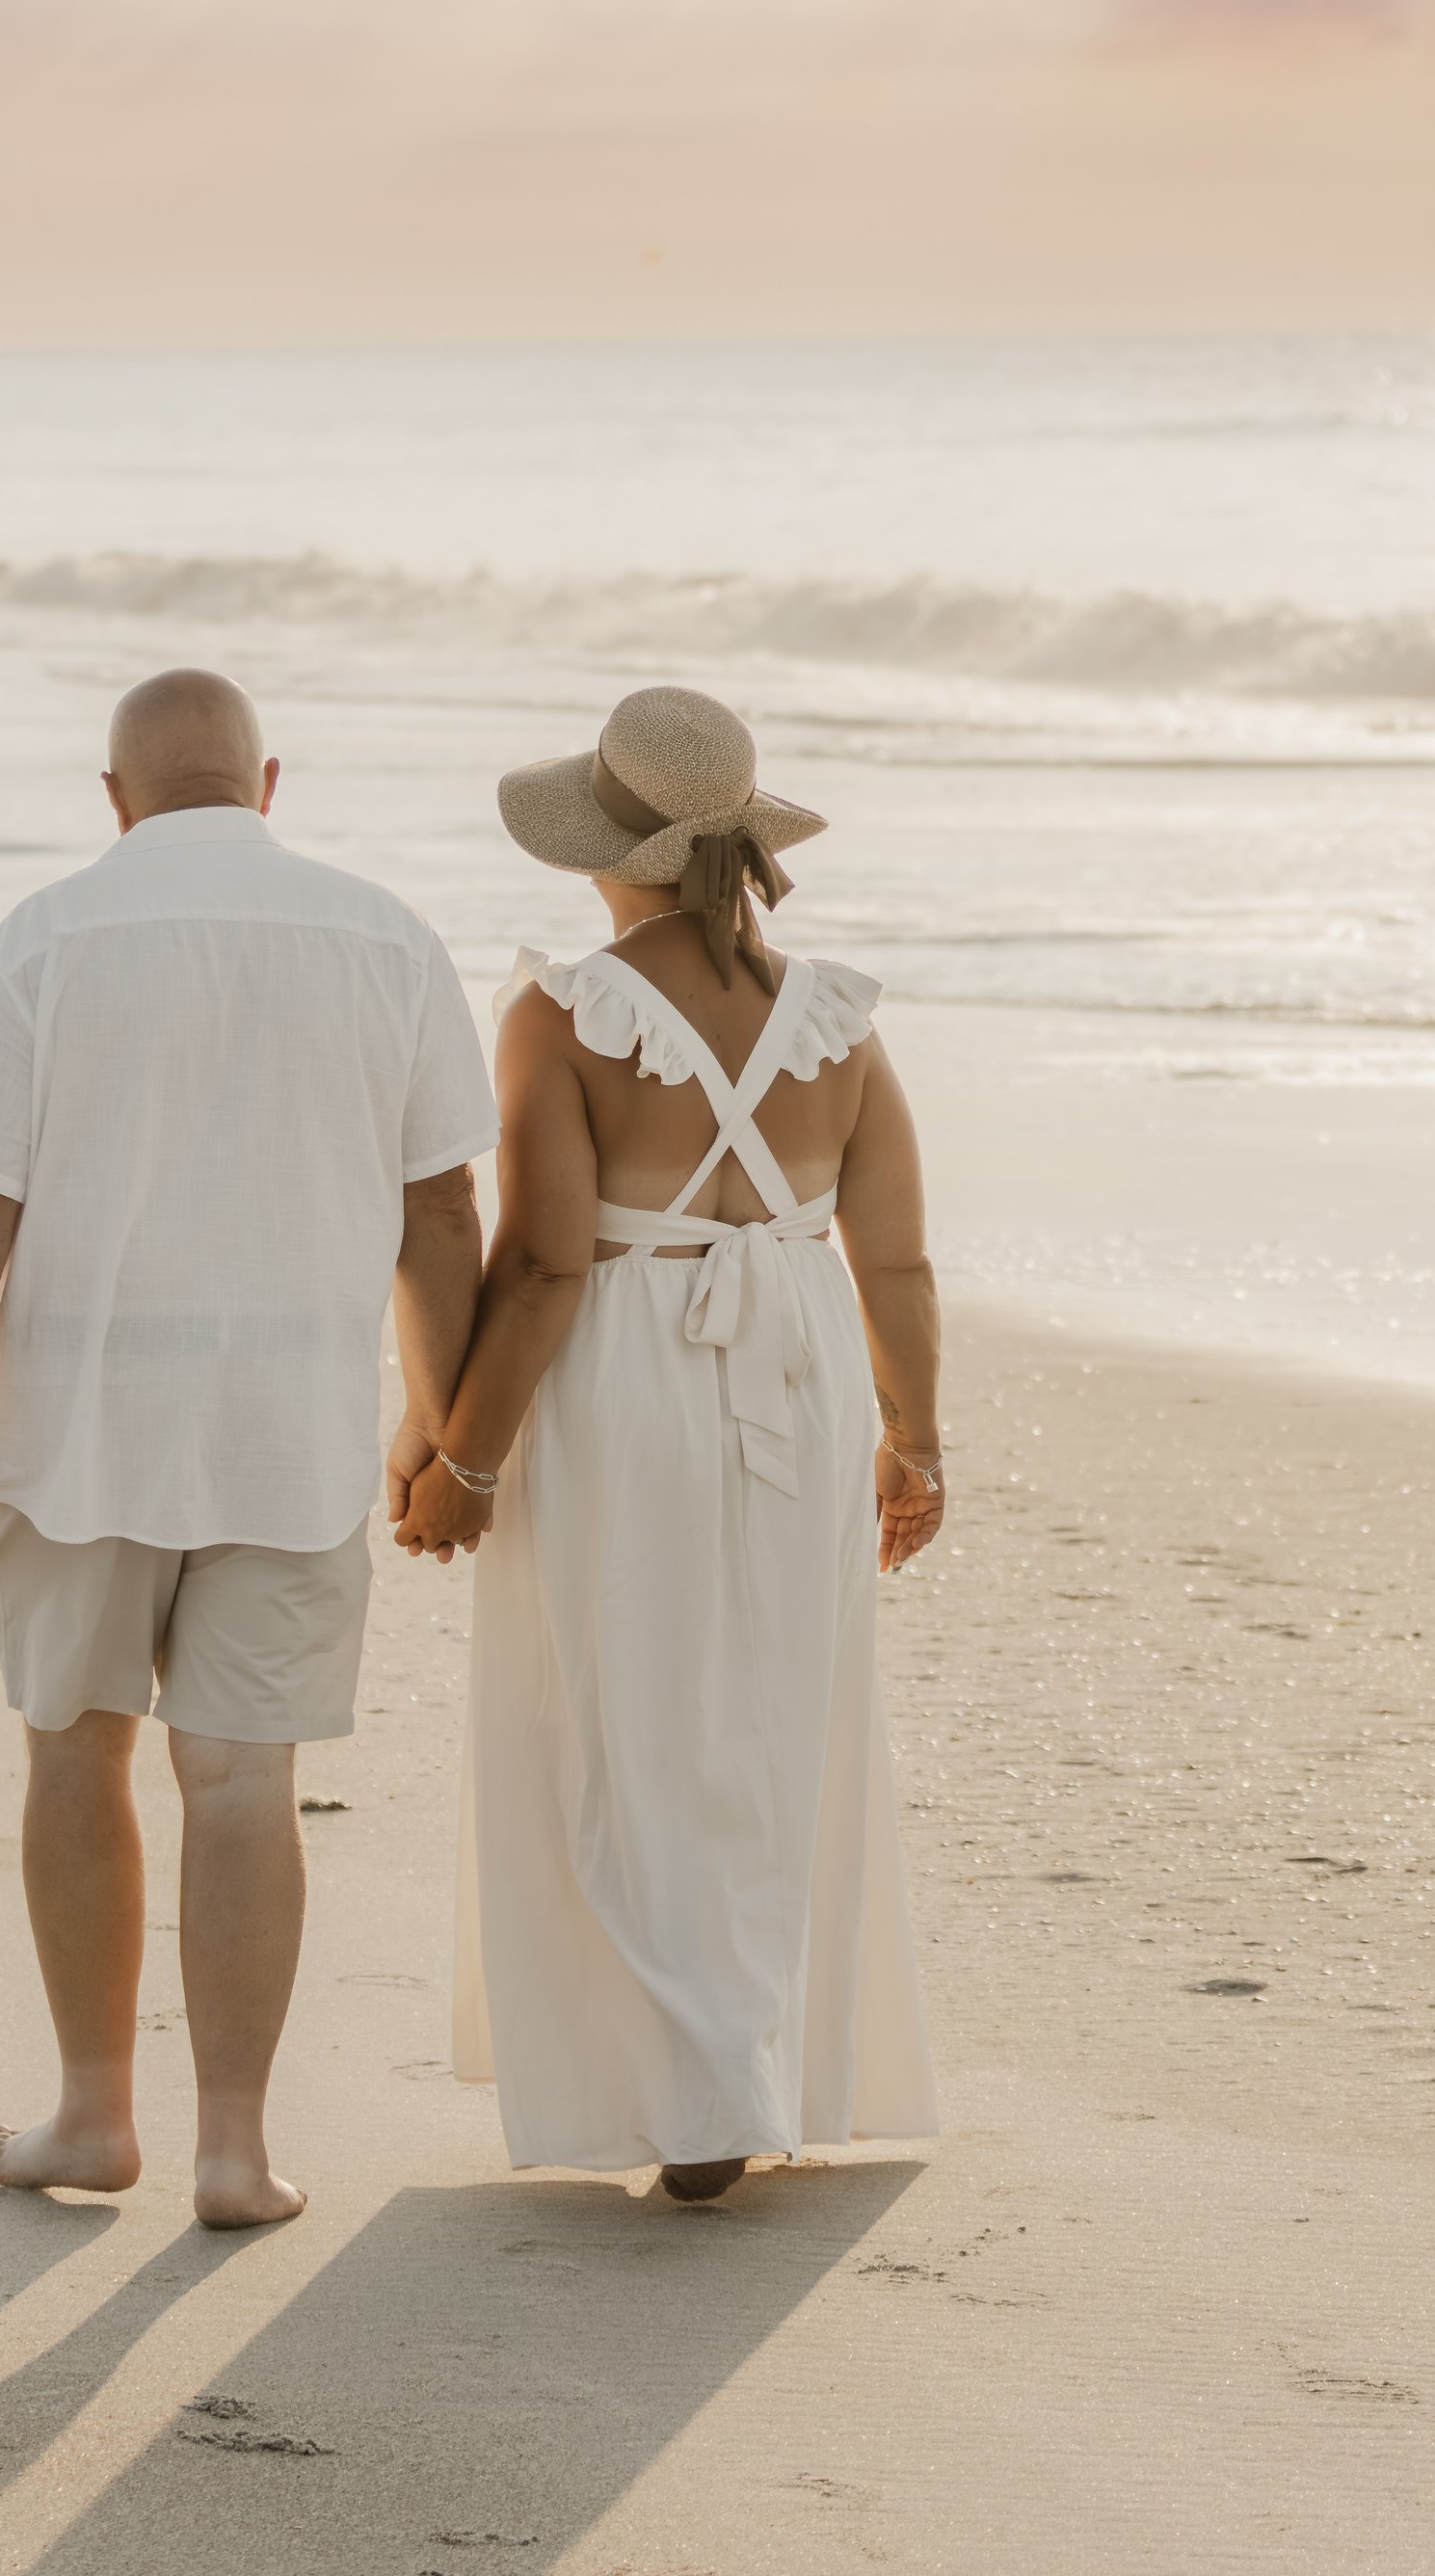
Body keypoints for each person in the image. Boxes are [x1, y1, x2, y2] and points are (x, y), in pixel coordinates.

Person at [0, 669, 494, 2225]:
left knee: (76, 1747)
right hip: (287, 1426)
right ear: (267, 781)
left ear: (114, 796)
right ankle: (234, 2149)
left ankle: (93, 2114)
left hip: (80, 1424)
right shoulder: (386, 938)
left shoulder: (44, 938)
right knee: (241, 1781)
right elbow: (440, 1212)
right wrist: (443, 1422)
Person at [393, 683, 941, 2197]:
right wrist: (918, 1439)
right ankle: (751, 2058)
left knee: (627, 1711)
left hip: (629, 1364)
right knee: (781, 1713)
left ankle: (694, 2086)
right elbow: (894, 1258)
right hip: (805, 1361)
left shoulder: (566, 1012)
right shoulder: (835, 1016)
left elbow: (548, 1260)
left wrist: (467, 1454)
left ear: (608, 848)